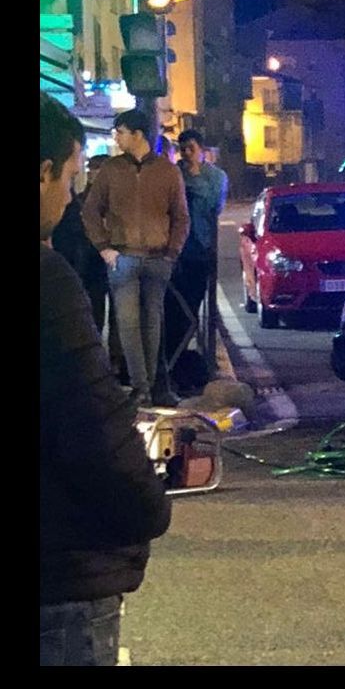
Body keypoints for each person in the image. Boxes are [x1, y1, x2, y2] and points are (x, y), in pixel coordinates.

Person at [40, 91, 172, 666]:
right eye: (68, 179)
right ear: (42, 173)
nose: (69, 198)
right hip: (58, 574)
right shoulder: (47, 281)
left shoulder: (164, 173)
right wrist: (149, 505)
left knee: (149, 331)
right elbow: (92, 421)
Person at [82, 109, 190, 407]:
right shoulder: (111, 170)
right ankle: (142, 386)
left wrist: (171, 253)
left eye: (120, 131)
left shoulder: (168, 171)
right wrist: (104, 247)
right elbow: (90, 211)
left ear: (138, 134)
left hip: (158, 258)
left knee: (152, 321)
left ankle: (149, 385)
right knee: (129, 324)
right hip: (123, 257)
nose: (115, 137)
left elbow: (181, 217)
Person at [164, 129, 228, 390]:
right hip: (173, 252)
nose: (186, 153)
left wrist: (194, 179)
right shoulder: (173, 173)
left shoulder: (215, 177)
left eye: (191, 148)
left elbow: (215, 205)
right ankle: (173, 361)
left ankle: (181, 361)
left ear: (202, 149)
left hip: (199, 251)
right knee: (172, 311)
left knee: (192, 308)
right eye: (182, 148)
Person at [52, 154, 109, 333]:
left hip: (96, 260)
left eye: (96, 168)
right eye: (90, 168)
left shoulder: (104, 199)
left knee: (96, 306)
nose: (92, 172)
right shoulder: (79, 199)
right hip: (85, 260)